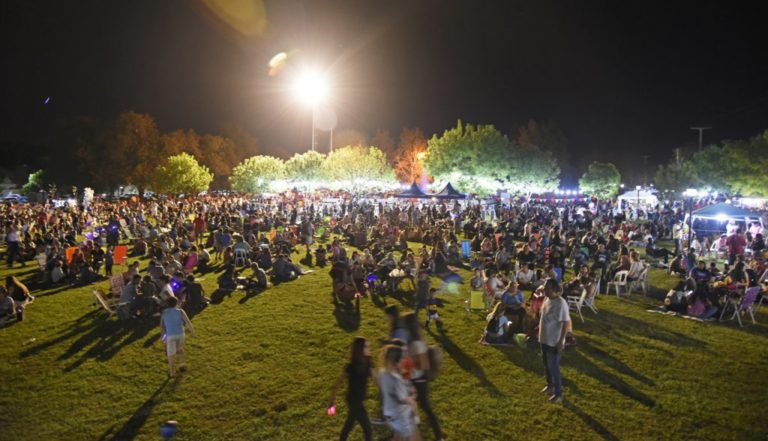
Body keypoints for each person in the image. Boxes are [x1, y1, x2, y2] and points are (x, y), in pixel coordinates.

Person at [403, 312, 444, 441]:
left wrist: (411, 361)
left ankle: (438, 436)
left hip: (418, 381)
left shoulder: (417, 344)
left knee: (426, 408)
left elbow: (424, 366)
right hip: (410, 380)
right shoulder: (410, 341)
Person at [329, 337, 375, 441]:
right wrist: (332, 401)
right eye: (367, 346)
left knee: (350, 425)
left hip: (358, 401)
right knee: (367, 429)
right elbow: (338, 383)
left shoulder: (368, 363)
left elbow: (376, 378)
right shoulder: (351, 366)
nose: (369, 348)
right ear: (360, 349)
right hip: (353, 401)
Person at [538, 278, 571, 404]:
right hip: (544, 338)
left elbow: (565, 324)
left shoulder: (561, 303)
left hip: (554, 341)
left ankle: (558, 394)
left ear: (553, 289)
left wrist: (560, 341)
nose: (544, 289)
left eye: (546, 287)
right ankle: (550, 385)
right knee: (546, 364)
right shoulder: (547, 300)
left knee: (554, 367)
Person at [378, 344, 420, 441]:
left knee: (398, 437)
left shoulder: (383, 373)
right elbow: (406, 399)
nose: (403, 361)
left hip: (390, 412)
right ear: (395, 362)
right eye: (401, 359)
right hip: (400, 415)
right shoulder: (396, 380)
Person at [160, 296, 195, 378]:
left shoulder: (164, 313)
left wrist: (163, 337)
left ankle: (172, 372)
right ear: (176, 303)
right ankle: (182, 364)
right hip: (180, 334)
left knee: (170, 354)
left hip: (170, 335)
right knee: (180, 348)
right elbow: (188, 322)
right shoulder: (180, 311)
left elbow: (162, 326)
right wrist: (192, 331)